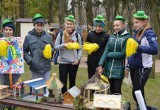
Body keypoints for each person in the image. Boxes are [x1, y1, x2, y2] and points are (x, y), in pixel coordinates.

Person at [125, 11, 158, 110]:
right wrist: (127, 66)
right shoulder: (136, 33)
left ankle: (149, 109)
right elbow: (131, 51)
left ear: (144, 22)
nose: (135, 24)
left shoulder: (149, 33)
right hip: (134, 66)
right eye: (134, 22)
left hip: (143, 67)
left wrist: (139, 48)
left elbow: (155, 50)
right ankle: (141, 108)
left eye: (137, 22)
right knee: (139, 92)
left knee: (136, 92)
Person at [97, 15, 130, 94]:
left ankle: (117, 106)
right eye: (114, 25)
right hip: (108, 69)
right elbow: (105, 51)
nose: (115, 27)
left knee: (117, 91)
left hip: (118, 70)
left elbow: (123, 54)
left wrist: (109, 54)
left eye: (117, 25)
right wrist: (100, 65)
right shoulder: (111, 37)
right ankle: (110, 106)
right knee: (109, 91)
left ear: (123, 25)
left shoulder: (127, 38)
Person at [23, 13, 54, 96]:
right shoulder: (28, 37)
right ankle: (34, 100)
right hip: (35, 66)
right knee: (35, 86)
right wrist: (30, 60)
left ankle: (46, 99)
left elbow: (53, 48)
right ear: (34, 25)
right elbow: (25, 51)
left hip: (46, 66)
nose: (39, 27)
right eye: (37, 25)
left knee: (46, 87)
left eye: (41, 25)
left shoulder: (48, 37)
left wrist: (50, 52)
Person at [54, 15, 82, 94]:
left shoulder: (77, 35)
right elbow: (55, 47)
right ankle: (63, 97)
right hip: (63, 62)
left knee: (72, 82)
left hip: (74, 62)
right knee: (63, 82)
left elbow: (80, 49)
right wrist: (63, 45)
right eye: (68, 24)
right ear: (65, 25)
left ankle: (71, 98)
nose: (69, 25)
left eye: (71, 24)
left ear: (74, 25)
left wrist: (78, 59)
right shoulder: (61, 34)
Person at [86, 15, 109, 79]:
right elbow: (85, 46)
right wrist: (91, 47)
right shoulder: (90, 34)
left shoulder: (106, 36)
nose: (98, 28)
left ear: (103, 26)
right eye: (96, 26)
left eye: (100, 26)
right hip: (91, 61)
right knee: (91, 80)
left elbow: (107, 50)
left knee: (100, 80)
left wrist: (102, 64)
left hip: (101, 62)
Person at [0, 19, 21, 87]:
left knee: (16, 86)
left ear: (13, 31)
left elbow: (19, 54)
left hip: (15, 68)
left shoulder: (17, 42)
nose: (8, 31)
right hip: (4, 68)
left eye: (10, 29)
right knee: (5, 86)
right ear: (3, 30)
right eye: (6, 29)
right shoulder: (1, 41)